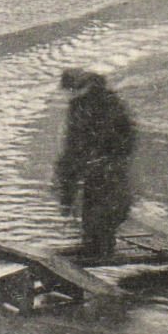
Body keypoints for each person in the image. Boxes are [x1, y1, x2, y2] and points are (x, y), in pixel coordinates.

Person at [54, 69, 135, 262]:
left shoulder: (103, 103)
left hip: (108, 166)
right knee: (93, 208)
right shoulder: (85, 103)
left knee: (103, 208)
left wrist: (105, 158)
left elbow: (123, 136)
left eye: (70, 91)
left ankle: (101, 246)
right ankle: (95, 244)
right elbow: (73, 144)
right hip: (98, 166)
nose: (68, 95)